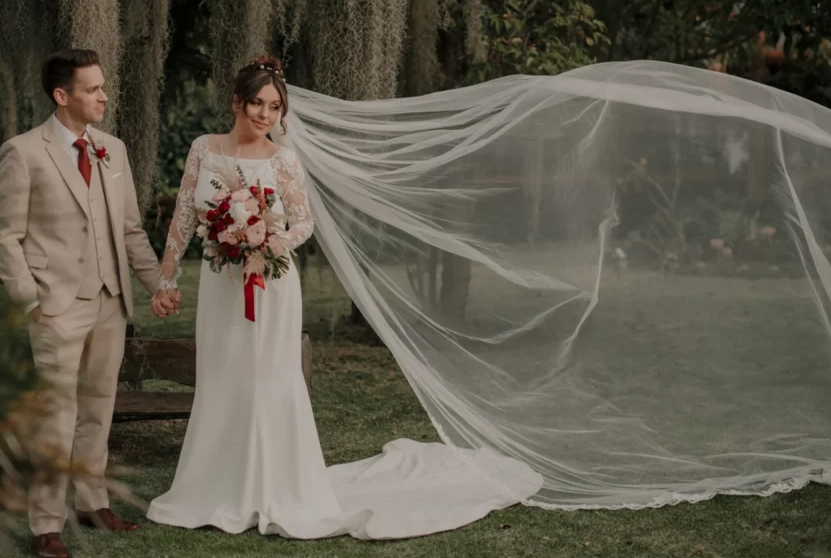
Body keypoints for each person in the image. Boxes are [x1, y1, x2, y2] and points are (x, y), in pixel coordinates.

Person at [146, 57, 541, 539]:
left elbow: (303, 221)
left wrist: (265, 240)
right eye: (256, 104)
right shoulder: (203, 149)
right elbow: (184, 216)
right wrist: (166, 280)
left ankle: (274, 486)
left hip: (270, 283)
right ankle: (214, 486)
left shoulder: (282, 159)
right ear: (236, 102)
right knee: (223, 375)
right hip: (221, 285)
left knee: (269, 380)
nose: (265, 115)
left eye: (274, 107)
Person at [0, 49, 180, 558]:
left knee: (99, 407)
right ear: (62, 96)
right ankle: (45, 526)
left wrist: (156, 285)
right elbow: (6, 237)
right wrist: (29, 300)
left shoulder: (112, 150)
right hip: (54, 306)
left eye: (102, 87)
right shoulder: (24, 151)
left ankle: (92, 503)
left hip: (110, 300)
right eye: (93, 88)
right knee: (56, 414)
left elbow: (130, 230)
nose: (103, 96)